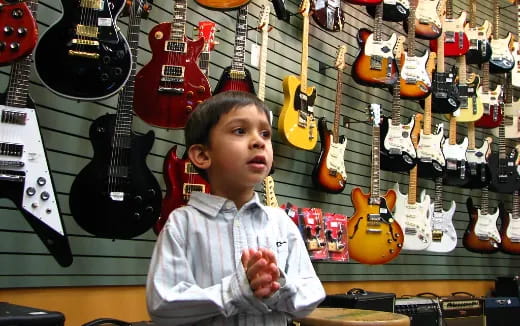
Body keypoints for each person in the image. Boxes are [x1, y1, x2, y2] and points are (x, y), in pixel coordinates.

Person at [146, 91, 325, 325]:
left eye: (265, 133)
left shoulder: (280, 222)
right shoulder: (183, 223)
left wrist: (275, 287)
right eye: (240, 131)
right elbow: (162, 304)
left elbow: (312, 294)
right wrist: (236, 291)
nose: (259, 141)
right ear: (201, 155)